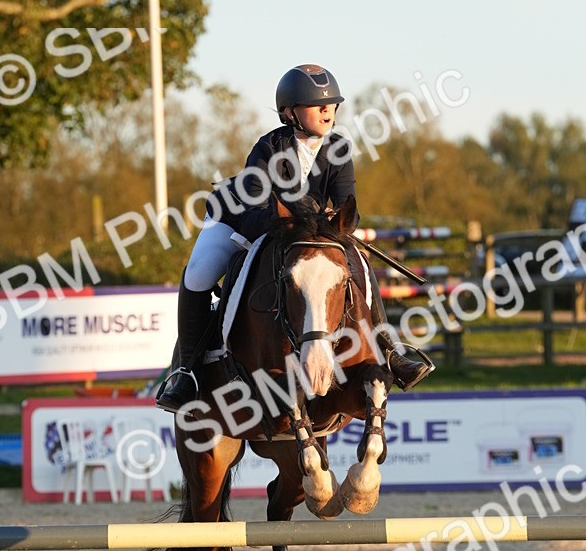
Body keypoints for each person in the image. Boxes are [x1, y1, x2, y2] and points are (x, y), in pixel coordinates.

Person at [157, 63, 432, 412]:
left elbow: (349, 207)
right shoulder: (269, 147)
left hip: (301, 230)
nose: (327, 110)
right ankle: (187, 373)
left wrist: (333, 223)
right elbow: (256, 209)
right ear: (290, 112)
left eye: (331, 104)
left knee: (358, 261)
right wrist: (300, 223)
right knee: (198, 274)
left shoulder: (339, 149)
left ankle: (389, 352)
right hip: (240, 220)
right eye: (317, 105)